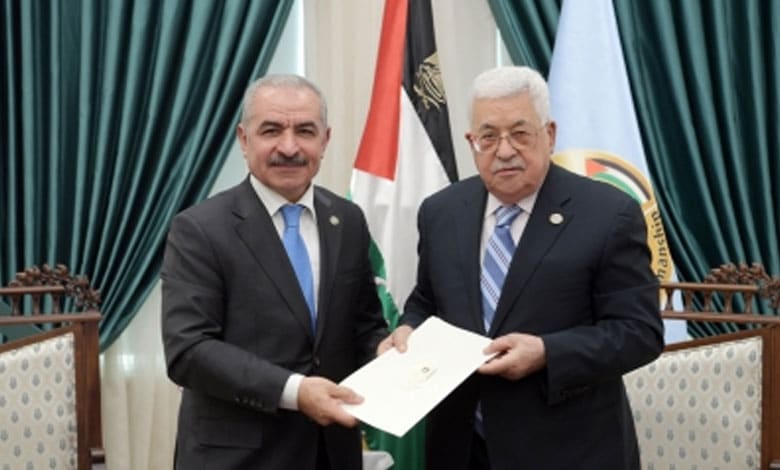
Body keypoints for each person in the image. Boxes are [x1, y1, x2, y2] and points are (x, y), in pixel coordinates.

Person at [378, 65, 664, 469]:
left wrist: (547, 352)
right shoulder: (441, 212)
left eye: (520, 133)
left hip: (568, 450)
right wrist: (409, 329)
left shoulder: (608, 214)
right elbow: (426, 300)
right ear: (471, 141)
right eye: (489, 136)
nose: (505, 150)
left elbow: (639, 332)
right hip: (460, 448)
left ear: (549, 134)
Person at [161, 74, 388, 470]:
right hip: (238, 458)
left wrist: (384, 351)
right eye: (271, 130)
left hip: (332, 453)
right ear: (244, 139)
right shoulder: (199, 229)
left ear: (325, 140)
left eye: (305, 131)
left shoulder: (347, 220)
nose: (289, 147)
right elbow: (189, 350)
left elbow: (363, 325)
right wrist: (295, 391)